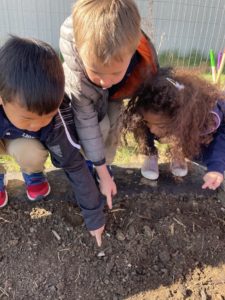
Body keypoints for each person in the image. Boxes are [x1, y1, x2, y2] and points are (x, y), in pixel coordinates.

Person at [0, 36, 105, 246]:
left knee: (29, 152)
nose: (37, 124)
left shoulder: (56, 119)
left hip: (24, 145)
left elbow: (75, 166)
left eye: (46, 117)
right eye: (28, 118)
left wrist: (94, 216)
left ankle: (33, 174)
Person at [59, 0, 159, 208]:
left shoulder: (136, 53)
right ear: (80, 49)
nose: (105, 80)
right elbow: (86, 124)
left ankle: (106, 164)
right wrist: (101, 172)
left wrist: (105, 169)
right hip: (84, 104)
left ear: (132, 52)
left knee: (114, 126)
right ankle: (93, 164)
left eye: (115, 72)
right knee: (99, 128)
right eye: (96, 71)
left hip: (113, 97)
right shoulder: (77, 77)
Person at [123, 68, 225, 190]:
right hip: (175, 122)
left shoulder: (209, 119)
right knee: (146, 124)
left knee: (197, 150)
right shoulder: (153, 107)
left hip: (198, 128)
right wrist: (149, 131)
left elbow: (219, 141)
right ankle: (151, 154)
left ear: (181, 120)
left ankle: (178, 151)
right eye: (148, 122)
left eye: (160, 126)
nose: (153, 130)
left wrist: (215, 168)